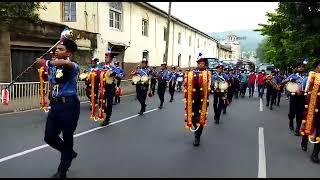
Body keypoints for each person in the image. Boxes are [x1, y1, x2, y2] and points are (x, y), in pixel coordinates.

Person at [37, 38, 80, 178]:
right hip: (55, 105)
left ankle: (62, 170)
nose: (56, 50)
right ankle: (69, 153)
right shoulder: (53, 66)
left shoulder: (73, 65)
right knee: (49, 137)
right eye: (56, 48)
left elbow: (65, 63)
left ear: (68, 52)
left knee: (67, 137)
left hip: (69, 105)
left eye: (60, 48)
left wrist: (46, 62)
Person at [184, 58, 211, 146]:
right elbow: (187, 84)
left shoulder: (207, 74)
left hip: (202, 100)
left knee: (201, 118)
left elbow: (210, 85)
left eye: (202, 64)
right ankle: (196, 130)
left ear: (205, 65)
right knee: (193, 117)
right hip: (193, 99)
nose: (200, 65)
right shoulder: (192, 73)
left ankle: (197, 136)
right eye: (199, 63)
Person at [300, 60, 320, 163]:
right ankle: (304, 140)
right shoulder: (312, 76)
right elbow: (307, 90)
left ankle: (315, 154)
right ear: (317, 67)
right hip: (313, 105)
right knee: (309, 124)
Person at [282, 64, 307, 135]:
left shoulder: (306, 77)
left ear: (304, 68)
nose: (301, 68)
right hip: (293, 96)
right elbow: (283, 82)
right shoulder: (293, 75)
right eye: (299, 67)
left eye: (302, 67)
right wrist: (290, 80)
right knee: (292, 112)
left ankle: (297, 129)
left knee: (300, 113)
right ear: (297, 68)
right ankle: (291, 122)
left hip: (302, 97)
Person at [100, 55, 124, 126]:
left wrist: (114, 74)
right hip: (103, 88)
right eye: (105, 57)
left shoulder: (114, 68)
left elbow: (121, 76)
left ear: (110, 59)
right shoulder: (103, 67)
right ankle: (108, 113)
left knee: (109, 104)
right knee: (101, 103)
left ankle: (107, 119)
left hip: (111, 88)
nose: (105, 59)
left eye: (107, 57)